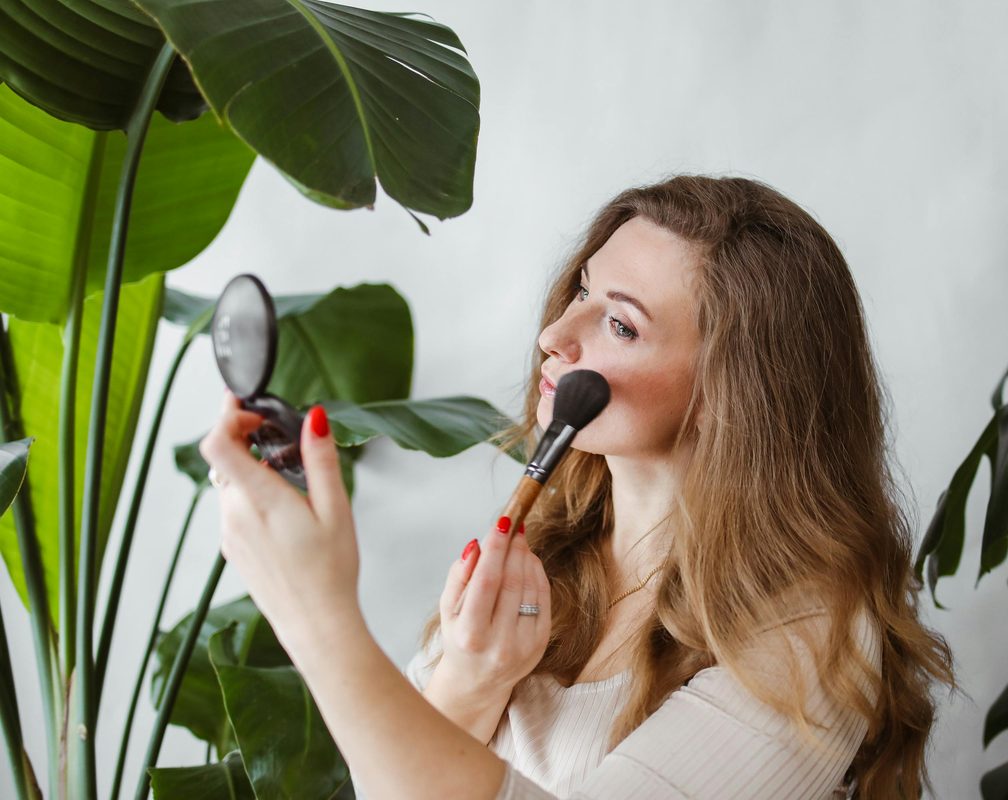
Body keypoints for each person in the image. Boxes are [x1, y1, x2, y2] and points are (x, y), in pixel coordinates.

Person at [201, 174, 957, 800]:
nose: (555, 336)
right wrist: (469, 683)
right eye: (582, 291)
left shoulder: (810, 638)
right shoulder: (543, 558)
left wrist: (317, 618)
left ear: (729, 394)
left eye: (620, 326)